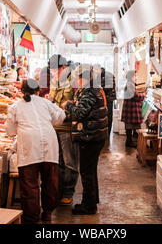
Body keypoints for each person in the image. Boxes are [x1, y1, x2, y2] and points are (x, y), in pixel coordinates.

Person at [6, 79, 66, 224]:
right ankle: (47, 213)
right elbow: (61, 116)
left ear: (22, 92)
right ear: (38, 91)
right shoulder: (45, 103)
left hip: (29, 145)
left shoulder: (15, 106)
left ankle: (31, 218)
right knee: (50, 181)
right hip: (49, 142)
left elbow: (10, 131)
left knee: (29, 184)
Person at [62, 64, 108, 215]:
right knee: (90, 170)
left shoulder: (89, 91)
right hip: (96, 135)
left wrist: (68, 105)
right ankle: (91, 201)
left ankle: (88, 206)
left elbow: (80, 112)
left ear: (85, 78)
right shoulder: (95, 88)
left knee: (87, 171)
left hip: (91, 136)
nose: (77, 80)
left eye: (78, 77)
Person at [48, 54, 78, 206]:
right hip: (54, 126)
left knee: (69, 162)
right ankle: (58, 191)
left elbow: (78, 106)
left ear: (64, 68)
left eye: (54, 70)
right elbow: (53, 101)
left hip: (67, 127)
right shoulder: (53, 81)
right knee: (57, 161)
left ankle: (68, 192)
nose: (52, 72)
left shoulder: (73, 82)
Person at [121, 70, 145, 148]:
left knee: (130, 126)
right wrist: (143, 95)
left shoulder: (130, 84)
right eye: (135, 75)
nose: (136, 77)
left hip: (130, 107)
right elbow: (135, 96)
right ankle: (129, 142)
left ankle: (130, 141)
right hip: (130, 108)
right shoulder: (130, 84)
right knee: (129, 125)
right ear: (131, 77)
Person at [97, 67, 116, 137]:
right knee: (105, 116)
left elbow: (110, 86)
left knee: (108, 116)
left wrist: (100, 88)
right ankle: (105, 133)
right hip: (106, 98)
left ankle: (107, 133)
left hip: (109, 99)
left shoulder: (108, 75)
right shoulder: (102, 76)